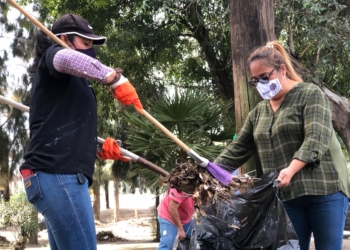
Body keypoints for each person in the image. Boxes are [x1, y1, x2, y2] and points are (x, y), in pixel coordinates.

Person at [214, 40, 350, 250]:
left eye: (265, 77)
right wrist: (206, 171)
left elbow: (316, 138)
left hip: (324, 189)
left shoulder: (309, 94)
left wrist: (291, 169)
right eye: (255, 80)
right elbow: (237, 150)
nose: (261, 84)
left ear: (282, 69)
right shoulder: (258, 112)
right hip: (283, 196)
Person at [20, 14, 141, 250]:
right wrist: (114, 78)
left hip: (56, 175)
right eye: (85, 43)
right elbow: (66, 58)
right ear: (64, 38)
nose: (90, 50)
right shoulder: (53, 56)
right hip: (58, 174)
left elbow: (64, 128)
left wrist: (97, 150)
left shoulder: (72, 84)